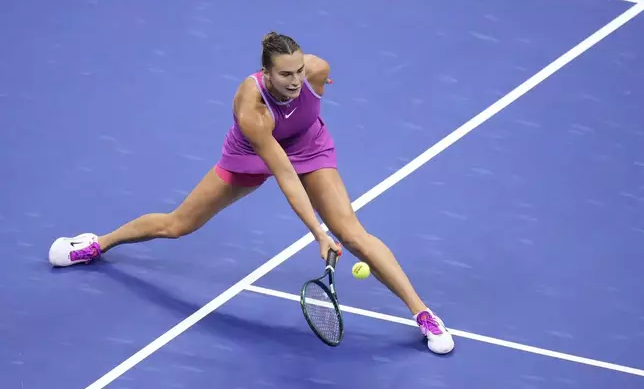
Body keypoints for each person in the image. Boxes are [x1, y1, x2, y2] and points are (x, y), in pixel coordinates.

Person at [48, 32, 455, 355]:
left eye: (298, 71)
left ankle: (423, 314)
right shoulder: (252, 108)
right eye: (285, 75)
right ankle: (98, 243)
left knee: (351, 233)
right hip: (253, 156)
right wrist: (316, 232)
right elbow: (284, 175)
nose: (295, 80)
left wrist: (330, 231)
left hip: (310, 147)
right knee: (177, 225)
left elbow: (303, 138)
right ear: (265, 73)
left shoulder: (315, 71)